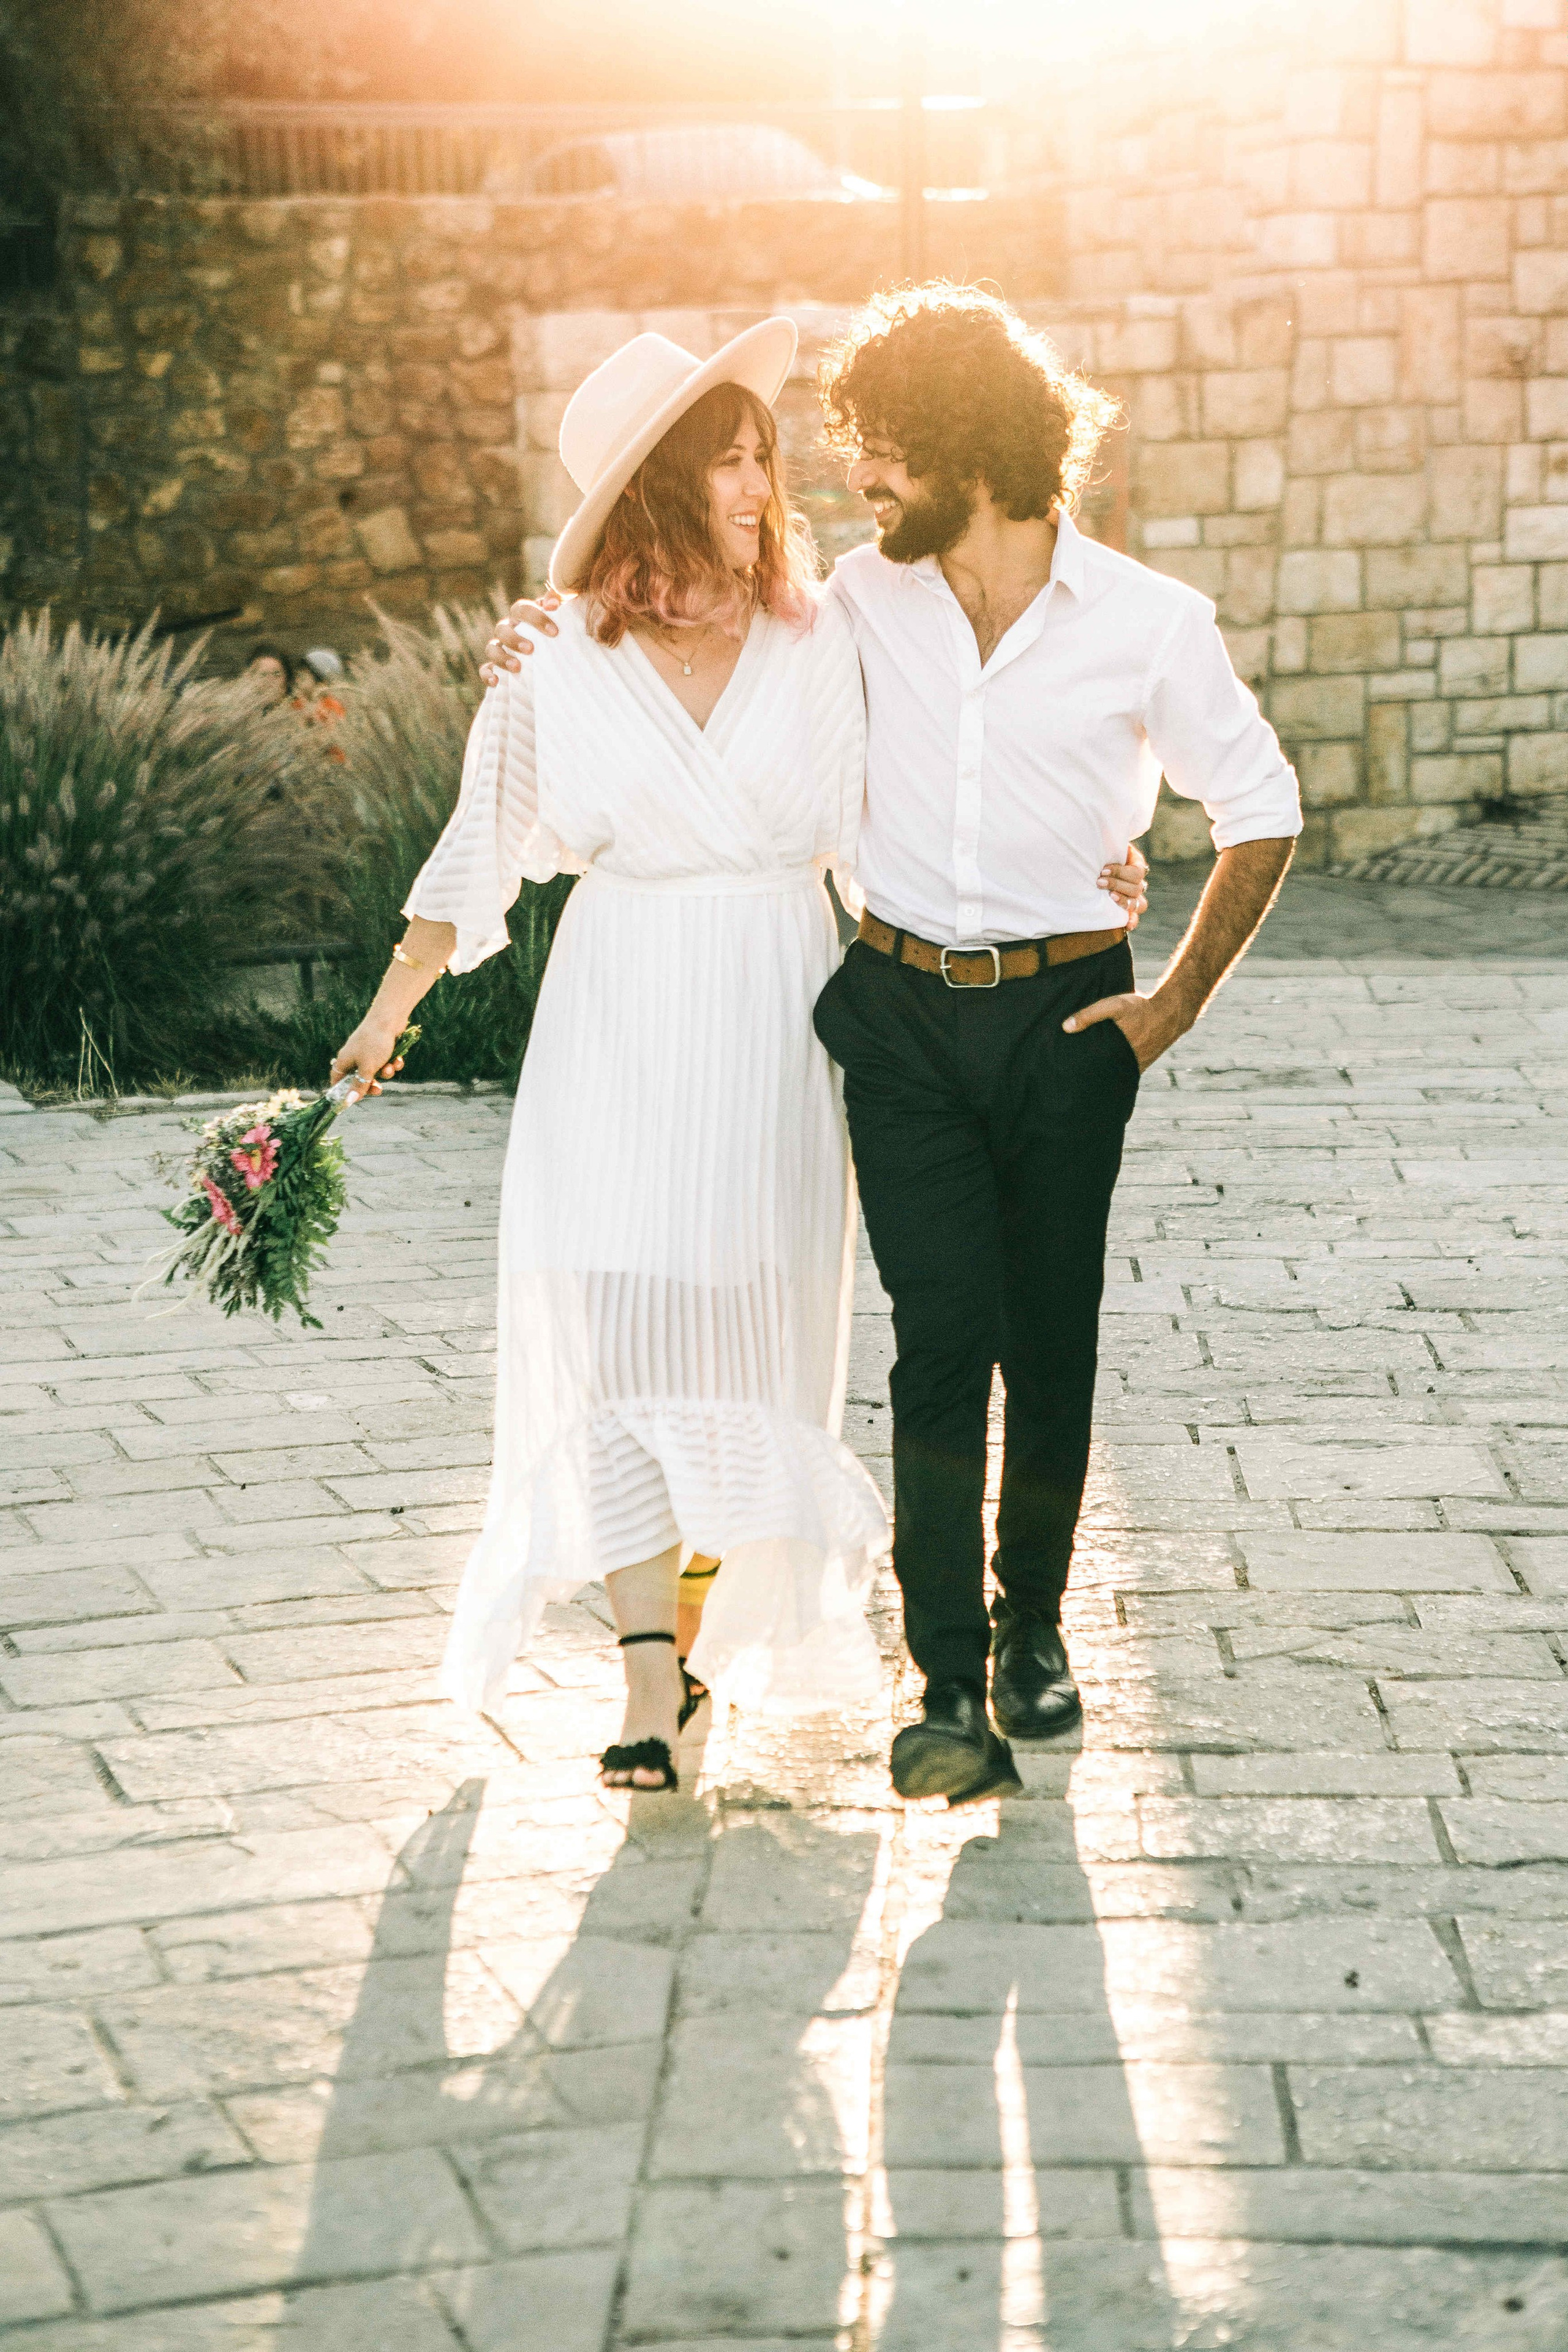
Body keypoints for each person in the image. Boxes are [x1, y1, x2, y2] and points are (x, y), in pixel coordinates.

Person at [484, 285, 1300, 1807]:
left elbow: (1262, 808)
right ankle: (942, 1684)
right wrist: (544, 632)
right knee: (938, 1339)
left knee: (1047, 1333)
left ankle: (1030, 1626)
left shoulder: (1147, 624)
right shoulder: (854, 602)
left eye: (883, 448)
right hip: (902, 1014)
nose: (852, 477)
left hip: (1068, 1015)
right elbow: (684, 627)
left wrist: (1169, 1004)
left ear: (968, 442)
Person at [333, 318, 1150, 1798]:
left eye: (763, 458)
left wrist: (1089, 865)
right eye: (728, 461)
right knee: (616, 1337)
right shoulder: (551, 656)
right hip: (614, 1018)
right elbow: (480, 846)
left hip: (776, 1018)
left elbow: (939, 781)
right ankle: (651, 1684)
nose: (763, 487)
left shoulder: (824, 632)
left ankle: (698, 1642)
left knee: (744, 1352)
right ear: (652, 484)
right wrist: (390, 1010)